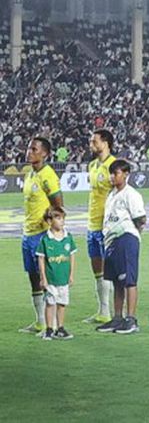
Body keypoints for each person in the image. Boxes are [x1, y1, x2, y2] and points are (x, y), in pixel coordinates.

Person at [19, 137, 63, 335]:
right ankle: (39, 321)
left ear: (44, 153)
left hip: (41, 235)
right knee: (33, 278)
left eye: (34, 149)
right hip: (27, 234)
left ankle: (51, 323)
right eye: (29, 148)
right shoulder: (30, 174)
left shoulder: (48, 175)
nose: (29, 152)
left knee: (46, 280)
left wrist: (53, 230)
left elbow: (58, 205)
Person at [97, 159, 146, 335]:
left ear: (126, 174)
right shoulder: (111, 195)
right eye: (111, 173)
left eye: (115, 173)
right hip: (111, 241)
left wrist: (131, 234)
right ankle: (117, 318)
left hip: (125, 238)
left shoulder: (131, 194)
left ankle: (131, 319)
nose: (112, 176)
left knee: (129, 280)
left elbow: (140, 219)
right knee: (117, 281)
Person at [84, 129, 116, 324]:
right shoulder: (92, 165)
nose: (91, 144)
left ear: (106, 143)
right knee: (98, 270)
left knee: (109, 269)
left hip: (107, 226)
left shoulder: (114, 165)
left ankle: (112, 311)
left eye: (94, 141)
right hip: (92, 223)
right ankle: (102, 311)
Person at [36, 207, 76, 340]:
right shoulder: (45, 240)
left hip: (63, 278)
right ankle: (49, 328)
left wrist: (71, 275)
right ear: (49, 221)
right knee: (50, 303)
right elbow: (41, 259)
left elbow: (72, 257)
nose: (62, 221)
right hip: (51, 279)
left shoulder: (68, 237)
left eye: (63, 218)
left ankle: (60, 327)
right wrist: (43, 278)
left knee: (62, 303)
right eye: (58, 218)